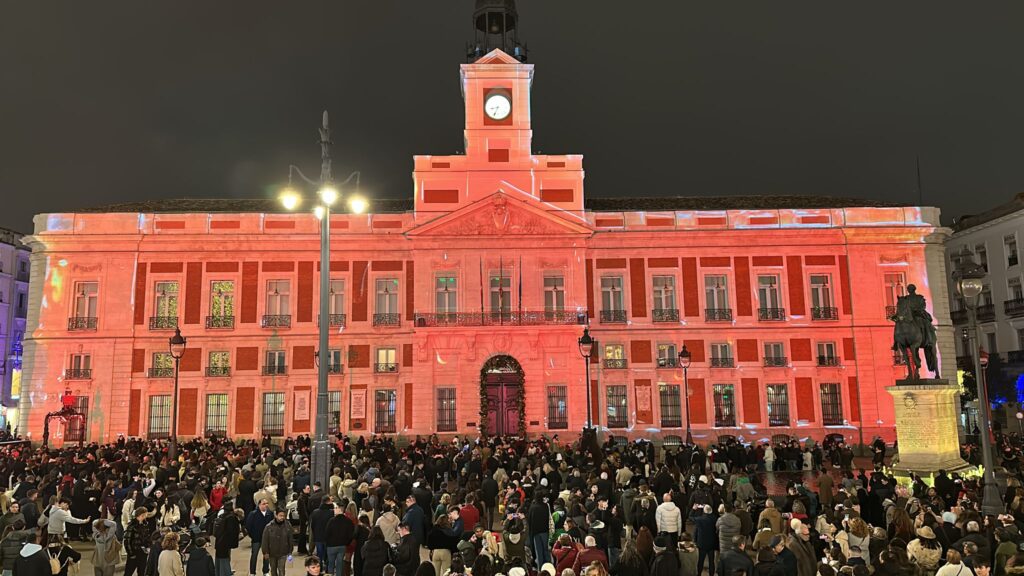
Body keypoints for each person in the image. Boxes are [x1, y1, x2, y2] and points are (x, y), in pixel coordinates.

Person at [261, 509, 294, 576]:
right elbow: (265, 540)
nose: (282, 517)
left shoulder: (288, 525)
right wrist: (265, 552)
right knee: (273, 569)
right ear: (276, 515)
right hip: (272, 552)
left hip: (283, 552)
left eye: (283, 516)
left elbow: (290, 539)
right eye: (280, 515)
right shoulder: (269, 527)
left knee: (281, 569)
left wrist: (290, 552)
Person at [326, 502, 355, 576]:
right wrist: (347, 543)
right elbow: (351, 534)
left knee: (331, 565)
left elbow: (327, 533)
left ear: (339, 509)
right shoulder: (348, 521)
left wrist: (327, 543)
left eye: (335, 508)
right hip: (342, 546)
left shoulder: (331, 521)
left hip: (331, 546)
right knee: (340, 564)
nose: (334, 509)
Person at [247, 499, 273, 576]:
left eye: (267, 503)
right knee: (254, 555)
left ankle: (265, 571)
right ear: (259, 505)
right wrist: (252, 535)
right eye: (264, 503)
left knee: (266, 555)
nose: (266, 505)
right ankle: (252, 572)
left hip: (267, 539)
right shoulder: (253, 514)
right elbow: (248, 526)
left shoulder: (270, 513)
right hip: (256, 538)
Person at [213, 508, 242, 576]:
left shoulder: (226, 517)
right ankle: (225, 572)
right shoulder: (231, 519)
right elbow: (232, 532)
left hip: (220, 542)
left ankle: (219, 572)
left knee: (220, 559)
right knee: (224, 559)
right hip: (224, 543)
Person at [123, 507, 150, 576]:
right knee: (128, 572)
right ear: (142, 515)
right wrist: (131, 553)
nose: (146, 516)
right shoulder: (132, 526)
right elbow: (127, 541)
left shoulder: (145, 524)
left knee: (142, 572)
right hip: (134, 552)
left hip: (143, 552)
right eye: (145, 514)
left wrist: (147, 547)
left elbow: (147, 537)